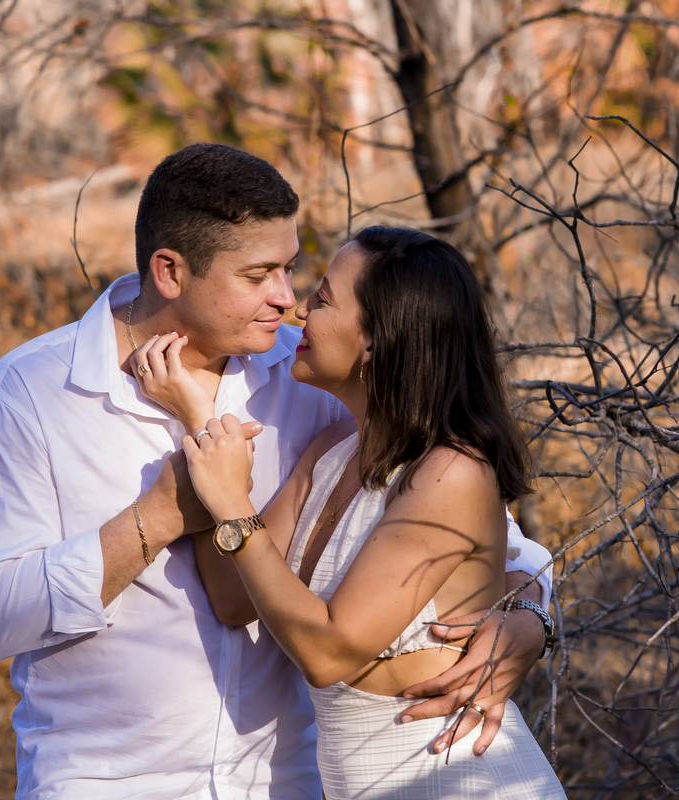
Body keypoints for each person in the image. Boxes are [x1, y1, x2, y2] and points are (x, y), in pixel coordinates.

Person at [0, 144, 556, 799]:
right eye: (259, 274)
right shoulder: (33, 393)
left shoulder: (316, 373)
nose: (287, 299)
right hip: (111, 780)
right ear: (171, 272)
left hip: (288, 780)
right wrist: (153, 518)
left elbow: (490, 542)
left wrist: (532, 620)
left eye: (293, 270)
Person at [137, 226, 567, 799]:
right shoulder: (333, 452)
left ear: (374, 340)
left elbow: (326, 653)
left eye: (323, 299)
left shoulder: (450, 472)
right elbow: (232, 597)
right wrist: (201, 426)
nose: (297, 310)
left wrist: (234, 504)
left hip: (459, 780)